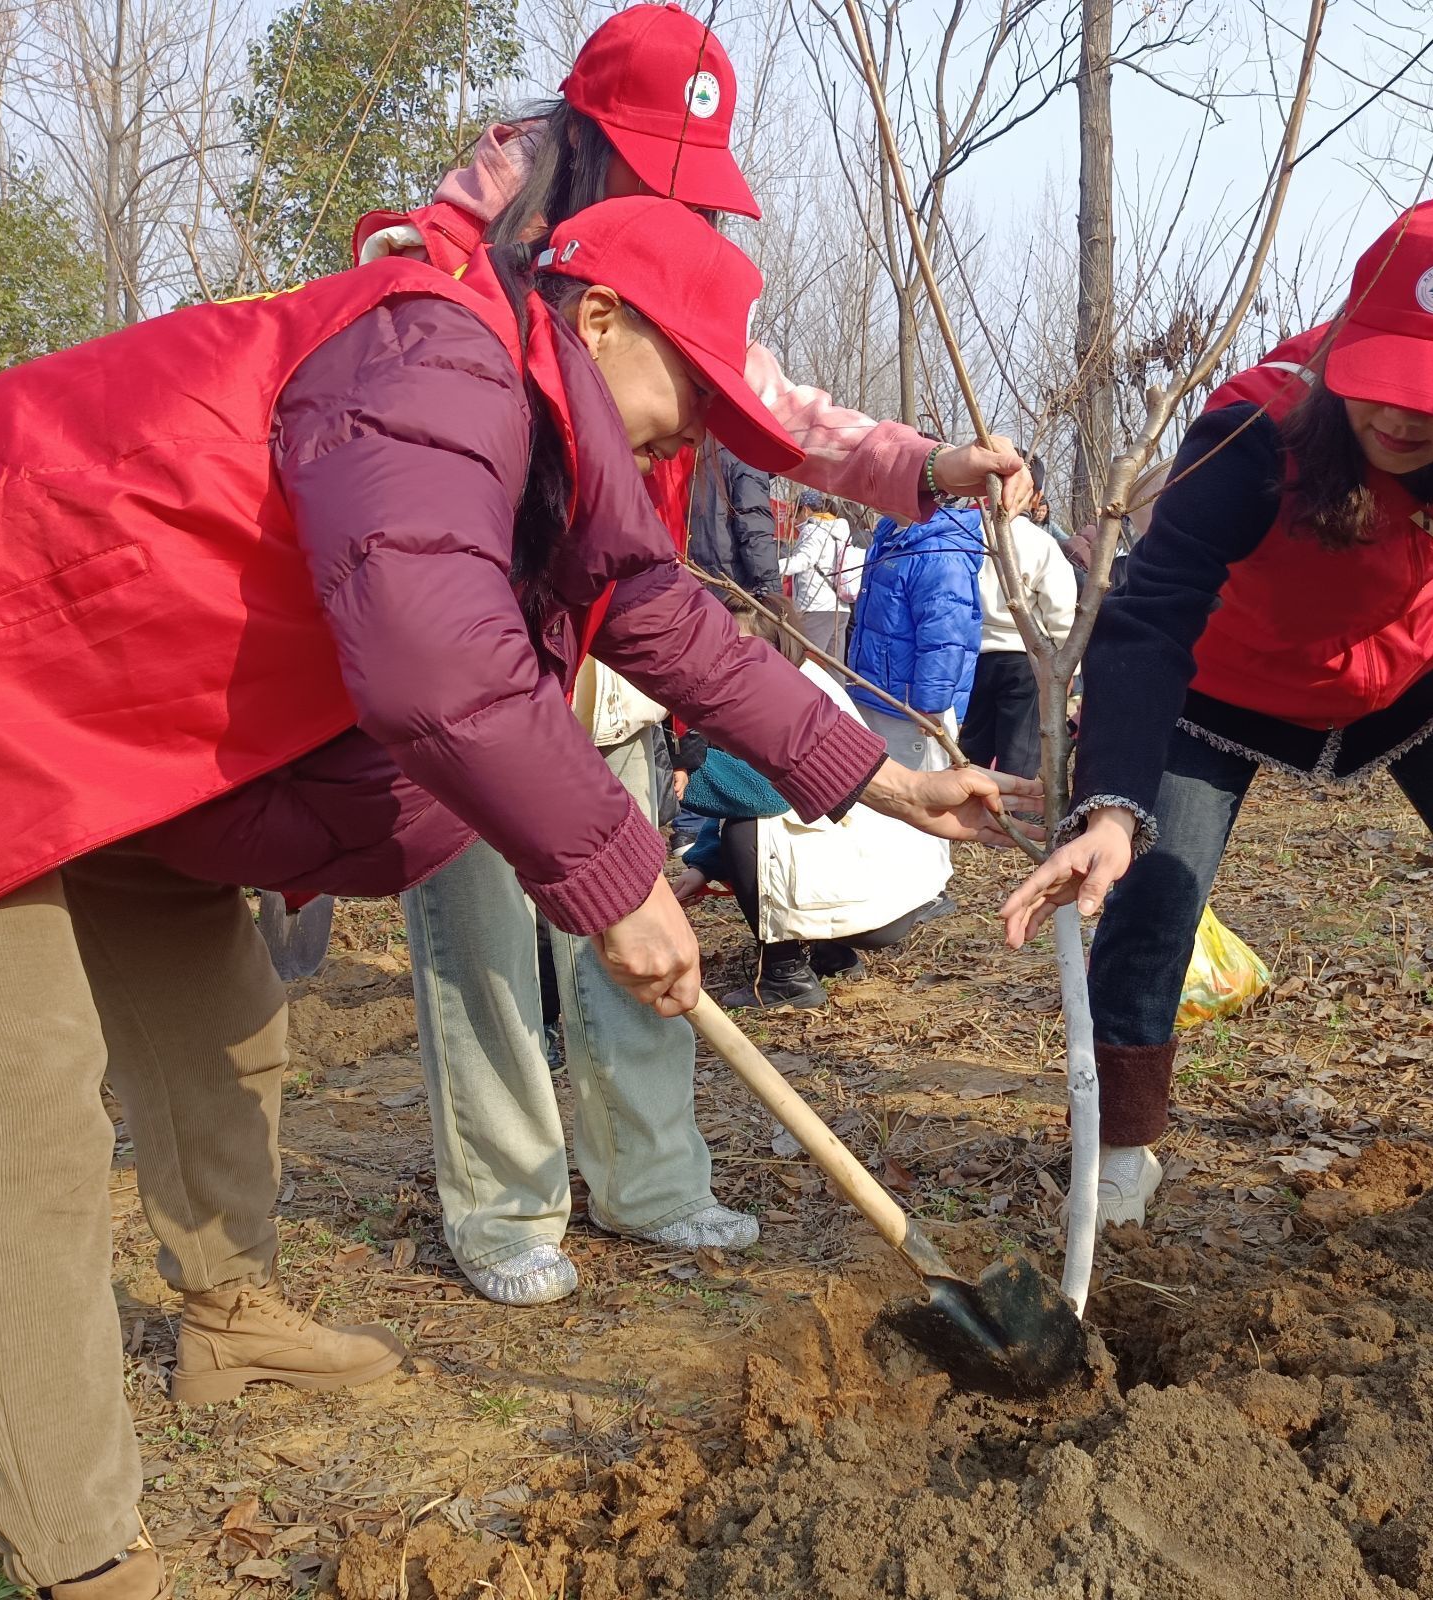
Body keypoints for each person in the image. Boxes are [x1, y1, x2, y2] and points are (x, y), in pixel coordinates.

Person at [0, 198, 1027, 1600]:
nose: (700, 433)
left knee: (228, 1031)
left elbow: (659, 620)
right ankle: (77, 1560)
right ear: (599, 318)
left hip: (134, 719)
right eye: (693, 391)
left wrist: (872, 777)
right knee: (21, 1126)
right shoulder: (432, 365)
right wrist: (619, 880)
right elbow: (432, 658)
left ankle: (230, 1312)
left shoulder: (546, 448)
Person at [354, 3, 1038, 1309]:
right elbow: (402, 287)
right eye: (651, 170)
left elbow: (769, 432)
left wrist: (925, 471)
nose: (678, 204)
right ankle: (503, 1206)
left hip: (607, 651)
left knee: (636, 936)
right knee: (485, 941)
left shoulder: (669, 309)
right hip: (467, 656)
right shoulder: (475, 281)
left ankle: (651, 1179)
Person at [1001, 196, 1433, 1236]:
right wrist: (1111, 805)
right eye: (1380, 387)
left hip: (1415, 675)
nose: (1403, 419)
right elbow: (1149, 617)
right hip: (1220, 688)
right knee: (1156, 898)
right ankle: (1120, 1143)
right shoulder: (1256, 427)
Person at [675, 596, 951, 1009]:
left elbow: (762, 796)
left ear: (777, 645)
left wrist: (685, 769)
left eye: (741, 644)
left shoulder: (781, 695)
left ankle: (785, 975)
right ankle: (832, 953)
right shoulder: (805, 681)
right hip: (883, 887)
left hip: (873, 895)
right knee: (755, 820)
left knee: (748, 829)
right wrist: (703, 866)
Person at [848, 500, 986, 772]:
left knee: (914, 795)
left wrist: (929, 707)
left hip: (912, 711)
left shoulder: (940, 554)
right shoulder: (890, 536)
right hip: (878, 692)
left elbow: (944, 641)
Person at [960, 497, 1078, 778]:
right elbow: (1060, 612)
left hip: (974, 654)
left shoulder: (967, 535)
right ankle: (1011, 818)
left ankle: (969, 812)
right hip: (1026, 659)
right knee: (1019, 757)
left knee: (973, 750)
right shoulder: (1040, 542)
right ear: (1035, 496)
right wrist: (1067, 663)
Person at [687, 437, 779, 596]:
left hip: (691, 582)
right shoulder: (748, 459)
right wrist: (773, 593)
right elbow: (755, 530)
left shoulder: (689, 454)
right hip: (733, 588)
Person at [781, 489, 859, 655]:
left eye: (797, 512)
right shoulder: (838, 530)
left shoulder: (813, 529)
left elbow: (804, 560)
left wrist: (773, 567)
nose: (794, 519)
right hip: (840, 607)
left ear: (806, 510)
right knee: (834, 666)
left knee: (808, 659)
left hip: (816, 605)